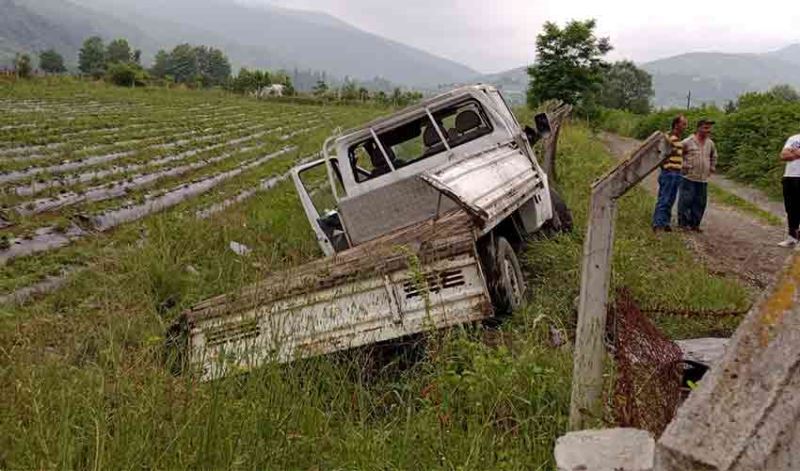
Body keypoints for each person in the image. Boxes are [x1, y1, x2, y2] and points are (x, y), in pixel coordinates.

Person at [678, 119, 718, 231]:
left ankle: (695, 224)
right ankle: (683, 224)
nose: (708, 130)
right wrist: (682, 165)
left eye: (709, 128)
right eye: (705, 128)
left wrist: (712, 166)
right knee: (686, 200)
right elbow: (676, 154)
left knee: (700, 202)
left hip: (703, 179)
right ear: (698, 128)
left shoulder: (710, 143)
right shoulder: (688, 141)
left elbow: (714, 156)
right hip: (688, 177)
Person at [652, 115, 688, 232]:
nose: (685, 127)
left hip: (677, 173)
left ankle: (665, 222)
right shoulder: (668, 139)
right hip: (669, 172)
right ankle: (658, 224)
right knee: (664, 198)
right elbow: (660, 155)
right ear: (676, 125)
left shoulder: (678, 140)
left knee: (671, 199)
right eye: (683, 124)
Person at [778, 132, 800, 247]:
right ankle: (792, 237)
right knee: (791, 209)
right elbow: (783, 156)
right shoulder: (794, 138)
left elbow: (789, 154)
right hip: (790, 177)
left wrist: (793, 152)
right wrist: (797, 154)